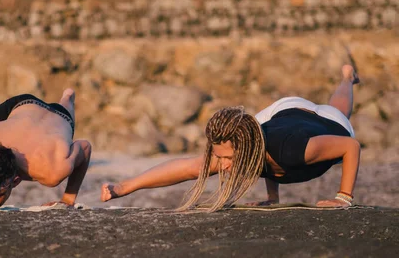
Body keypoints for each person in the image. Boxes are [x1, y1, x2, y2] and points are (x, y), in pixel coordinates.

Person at [101, 65, 361, 212]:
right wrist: (124, 187)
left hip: (328, 122)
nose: (222, 165)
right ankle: (273, 197)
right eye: (219, 156)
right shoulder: (244, 142)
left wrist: (343, 197)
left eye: (226, 158)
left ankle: (347, 78)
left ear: (245, 148)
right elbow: (187, 168)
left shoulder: (297, 150)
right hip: (281, 111)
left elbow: (351, 146)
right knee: (260, 143)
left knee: (338, 109)